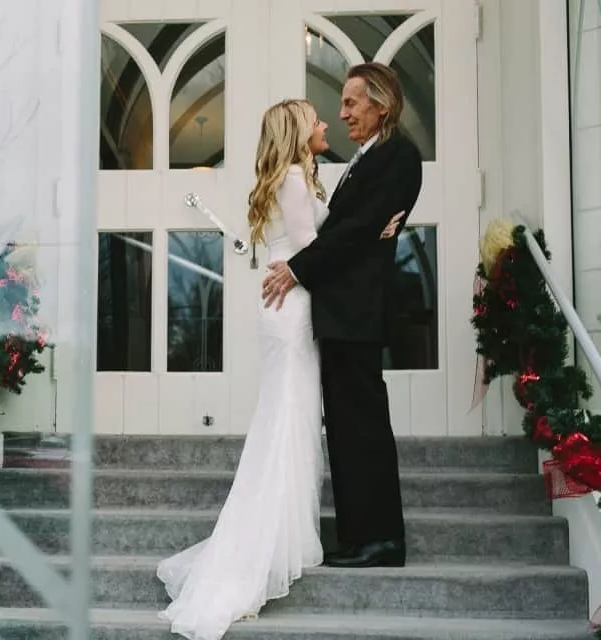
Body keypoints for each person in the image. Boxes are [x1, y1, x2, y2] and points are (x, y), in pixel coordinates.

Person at [156, 98, 400, 640]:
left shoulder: (291, 177)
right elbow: (315, 252)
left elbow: (316, 246)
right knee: (288, 423)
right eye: (315, 119)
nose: (325, 124)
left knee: (289, 421)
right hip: (292, 313)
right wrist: (370, 240)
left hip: (288, 309)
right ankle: (270, 548)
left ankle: (287, 538)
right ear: (296, 131)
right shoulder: (291, 178)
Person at [261, 62, 422, 569]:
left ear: (382, 105)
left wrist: (297, 268)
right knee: (348, 430)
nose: (343, 112)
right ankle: (357, 536)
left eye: (352, 102)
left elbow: (357, 229)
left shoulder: (398, 155)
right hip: (340, 310)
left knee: (362, 428)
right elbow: (351, 228)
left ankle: (381, 540)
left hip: (357, 311)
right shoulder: (366, 156)